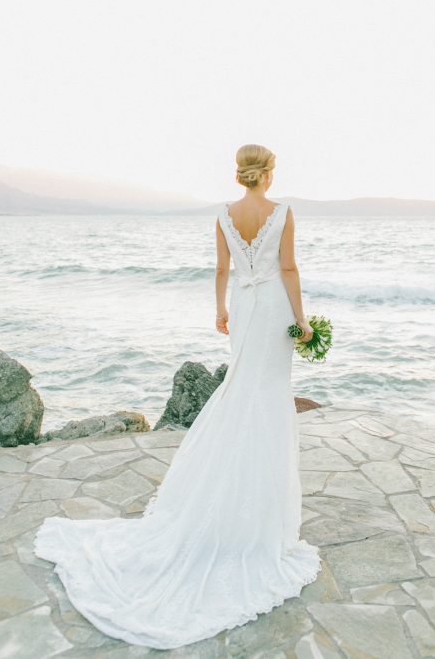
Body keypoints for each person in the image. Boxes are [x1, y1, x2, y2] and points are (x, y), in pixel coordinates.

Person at [33, 143, 321, 650]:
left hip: (245, 309)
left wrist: (220, 311)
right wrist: (301, 320)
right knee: (267, 398)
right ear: (269, 172)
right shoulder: (283, 212)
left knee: (240, 393)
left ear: (241, 173)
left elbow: (222, 270)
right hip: (274, 308)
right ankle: (256, 517)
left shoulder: (224, 215)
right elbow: (291, 269)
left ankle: (225, 497)